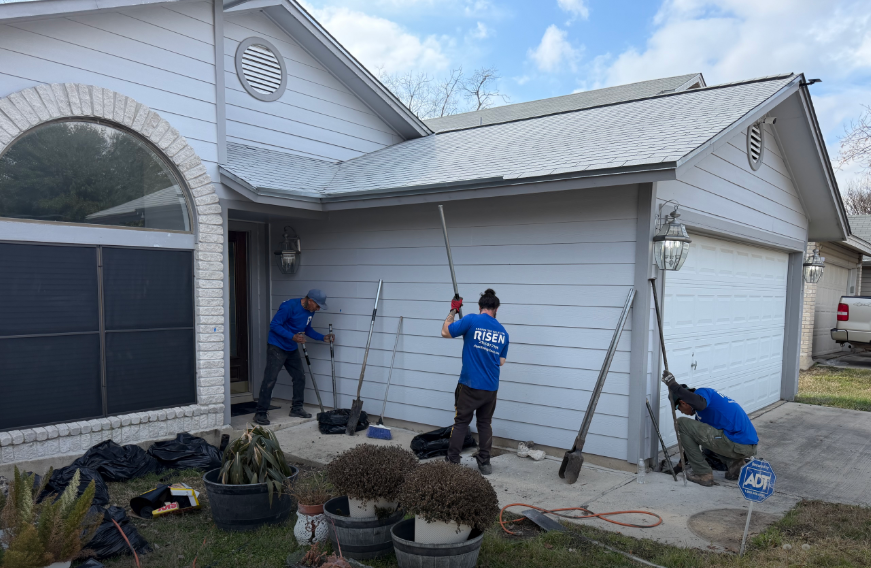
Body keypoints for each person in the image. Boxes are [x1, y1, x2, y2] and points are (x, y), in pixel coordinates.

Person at [440, 289, 509, 475]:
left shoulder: (471, 320)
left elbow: (445, 332)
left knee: (461, 422)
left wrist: (453, 310)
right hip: (491, 387)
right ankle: (485, 463)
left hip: (470, 385)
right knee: (485, 423)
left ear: (480, 307)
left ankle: (452, 461)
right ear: (496, 308)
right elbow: (501, 361)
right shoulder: (503, 332)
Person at [662, 371, 759, 487]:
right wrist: (678, 468)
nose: (681, 412)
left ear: (683, 403)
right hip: (744, 445)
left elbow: (699, 404)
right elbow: (692, 444)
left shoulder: (703, 393)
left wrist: (673, 385)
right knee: (707, 450)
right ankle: (737, 467)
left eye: (678, 408)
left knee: (681, 423)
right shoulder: (701, 414)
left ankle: (703, 474)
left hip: (738, 443)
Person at [255, 290, 335, 425]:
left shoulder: (311, 311)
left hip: (291, 348)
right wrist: (292, 336)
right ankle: (260, 413)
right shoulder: (289, 307)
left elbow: (307, 329)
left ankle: (297, 408)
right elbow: (274, 325)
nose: (318, 308)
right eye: (317, 305)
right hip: (277, 346)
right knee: (270, 378)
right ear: (310, 300)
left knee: (299, 377)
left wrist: (322, 337)